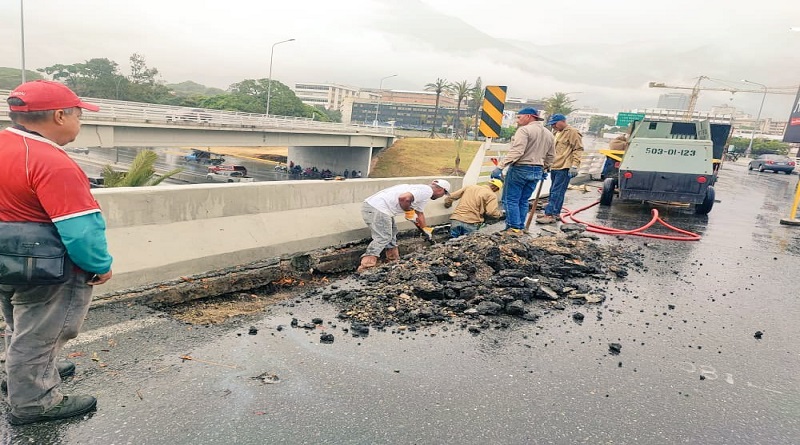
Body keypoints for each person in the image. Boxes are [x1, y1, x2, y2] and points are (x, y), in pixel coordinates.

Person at [0, 80, 113, 425]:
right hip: (44, 265)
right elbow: (81, 231)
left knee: (18, 322)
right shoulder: (53, 162)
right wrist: (100, 266)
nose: (81, 122)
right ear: (61, 116)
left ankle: (22, 373)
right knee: (40, 332)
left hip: (6, 259)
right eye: (79, 115)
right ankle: (34, 402)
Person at [358, 179, 450, 272]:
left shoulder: (422, 192)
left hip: (380, 208)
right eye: (444, 194)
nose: (441, 196)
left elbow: (419, 214)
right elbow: (403, 198)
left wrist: (425, 229)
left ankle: (393, 261)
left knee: (392, 233)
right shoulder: (426, 191)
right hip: (377, 208)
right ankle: (366, 266)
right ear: (441, 190)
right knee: (384, 237)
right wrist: (408, 211)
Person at [499, 107, 555, 232]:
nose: (517, 121)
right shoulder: (549, 133)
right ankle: (520, 226)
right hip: (537, 171)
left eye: (519, 117)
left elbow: (517, 151)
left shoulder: (524, 130)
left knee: (510, 199)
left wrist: (500, 166)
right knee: (524, 200)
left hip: (521, 168)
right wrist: (545, 168)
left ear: (529, 116)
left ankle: (513, 228)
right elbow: (551, 156)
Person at [537, 114, 584, 224]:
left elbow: (578, 149)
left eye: (555, 124)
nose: (553, 126)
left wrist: (574, 165)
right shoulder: (556, 132)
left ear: (562, 121)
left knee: (556, 192)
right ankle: (555, 213)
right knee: (554, 190)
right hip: (555, 165)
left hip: (564, 166)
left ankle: (549, 215)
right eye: (552, 124)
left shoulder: (572, 132)